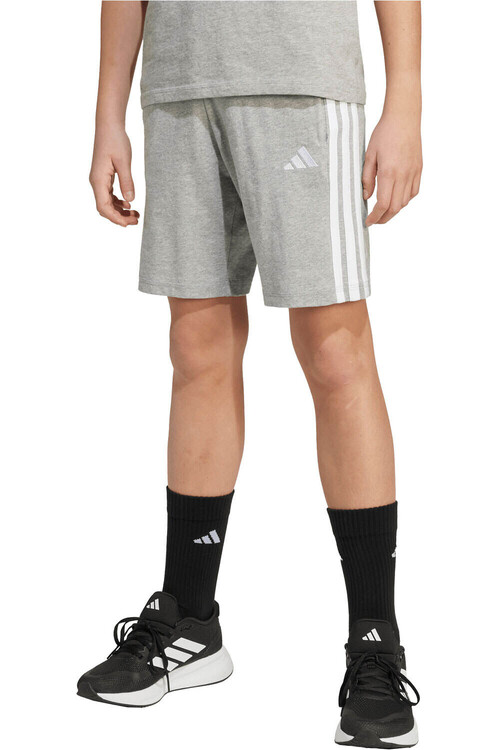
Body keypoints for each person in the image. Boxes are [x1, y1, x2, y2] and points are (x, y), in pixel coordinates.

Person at [78, 2, 422, 746]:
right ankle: (190, 619)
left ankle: (375, 641)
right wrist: (109, 112)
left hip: (301, 80)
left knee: (335, 353)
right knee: (197, 348)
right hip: (180, 86)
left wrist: (406, 100)